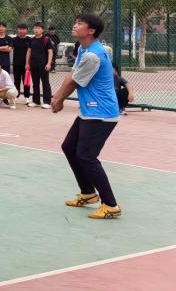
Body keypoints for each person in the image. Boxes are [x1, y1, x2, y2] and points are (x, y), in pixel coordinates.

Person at [52, 14, 123, 220]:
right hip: (89, 112)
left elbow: (75, 82)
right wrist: (57, 96)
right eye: (75, 22)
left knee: (86, 156)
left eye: (80, 23)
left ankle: (111, 205)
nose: (75, 25)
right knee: (69, 147)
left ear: (91, 31)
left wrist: (60, 99)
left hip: (101, 113)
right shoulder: (84, 49)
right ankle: (88, 193)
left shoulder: (93, 55)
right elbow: (72, 74)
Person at [26, 22, 54, 108]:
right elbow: (29, 52)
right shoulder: (32, 40)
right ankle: (36, 101)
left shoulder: (46, 40)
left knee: (45, 83)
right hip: (33, 64)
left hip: (43, 64)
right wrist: (27, 63)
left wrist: (49, 63)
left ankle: (47, 102)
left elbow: (50, 52)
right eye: (35, 28)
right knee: (35, 83)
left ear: (42, 30)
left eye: (38, 28)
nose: (36, 30)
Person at [11, 23, 31, 100]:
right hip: (16, 64)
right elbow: (8, 49)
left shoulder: (30, 40)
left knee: (26, 81)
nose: (22, 31)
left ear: (27, 30)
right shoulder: (14, 40)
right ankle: (16, 95)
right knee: (16, 80)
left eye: (23, 29)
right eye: (20, 29)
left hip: (27, 65)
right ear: (17, 30)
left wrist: (29, 63)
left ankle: (27, 96)